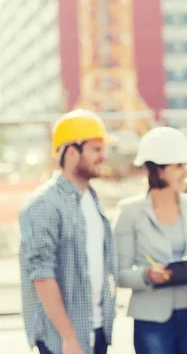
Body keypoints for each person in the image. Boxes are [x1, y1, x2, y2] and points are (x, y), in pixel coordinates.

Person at [18, 109, 118, 354]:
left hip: (96, 331)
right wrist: (69, 337)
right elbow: (41, 274)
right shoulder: (43, 204)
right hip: (62, 340)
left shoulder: (91, 199)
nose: (103, 156)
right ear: (72, 152)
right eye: (96, 149)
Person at [114, 126, 187, 354]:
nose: (185, 172)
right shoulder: (129, 212)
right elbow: (118, 272)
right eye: (179, 166)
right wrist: (147, 275)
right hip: (152, 319)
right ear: (159, 171)